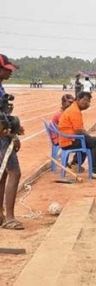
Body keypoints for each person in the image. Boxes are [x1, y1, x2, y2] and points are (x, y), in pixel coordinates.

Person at [58, 92, 96, 179]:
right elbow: (79, 131)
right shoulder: (74, 111)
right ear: (78, 99)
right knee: (95, 142)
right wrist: (89, 137)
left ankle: (93, 167)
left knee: (92, 140)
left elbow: (79, 130)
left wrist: (88, 137)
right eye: (85, 100)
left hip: (69, 138)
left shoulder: (74, 108)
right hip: (68, 141)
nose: (87, 103)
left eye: (89, 101)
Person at [0, 54, 24, 230]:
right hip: (2, 137)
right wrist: (11, 134)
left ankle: (1, 216)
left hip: (4, 133)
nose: (10, 73)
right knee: (14, 172)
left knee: (3, 174)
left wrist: (14, 125)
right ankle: (9, 217)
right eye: (7, 70)